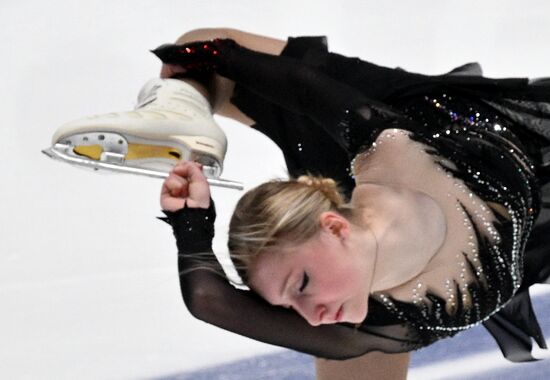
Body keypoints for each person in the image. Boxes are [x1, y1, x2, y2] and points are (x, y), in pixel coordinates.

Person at [52, 28, 550, 380]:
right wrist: (191, 225)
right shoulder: (380, 323)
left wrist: (216, 55)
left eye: (301, 286)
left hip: (479, 136)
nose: (310, 317)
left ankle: (181, 104)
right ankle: (183, 103)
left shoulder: (398, 147)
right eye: (290, 304)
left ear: (333, 227)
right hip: (531, 241)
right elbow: (210, 301)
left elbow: (308, 90)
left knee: (203, 40)